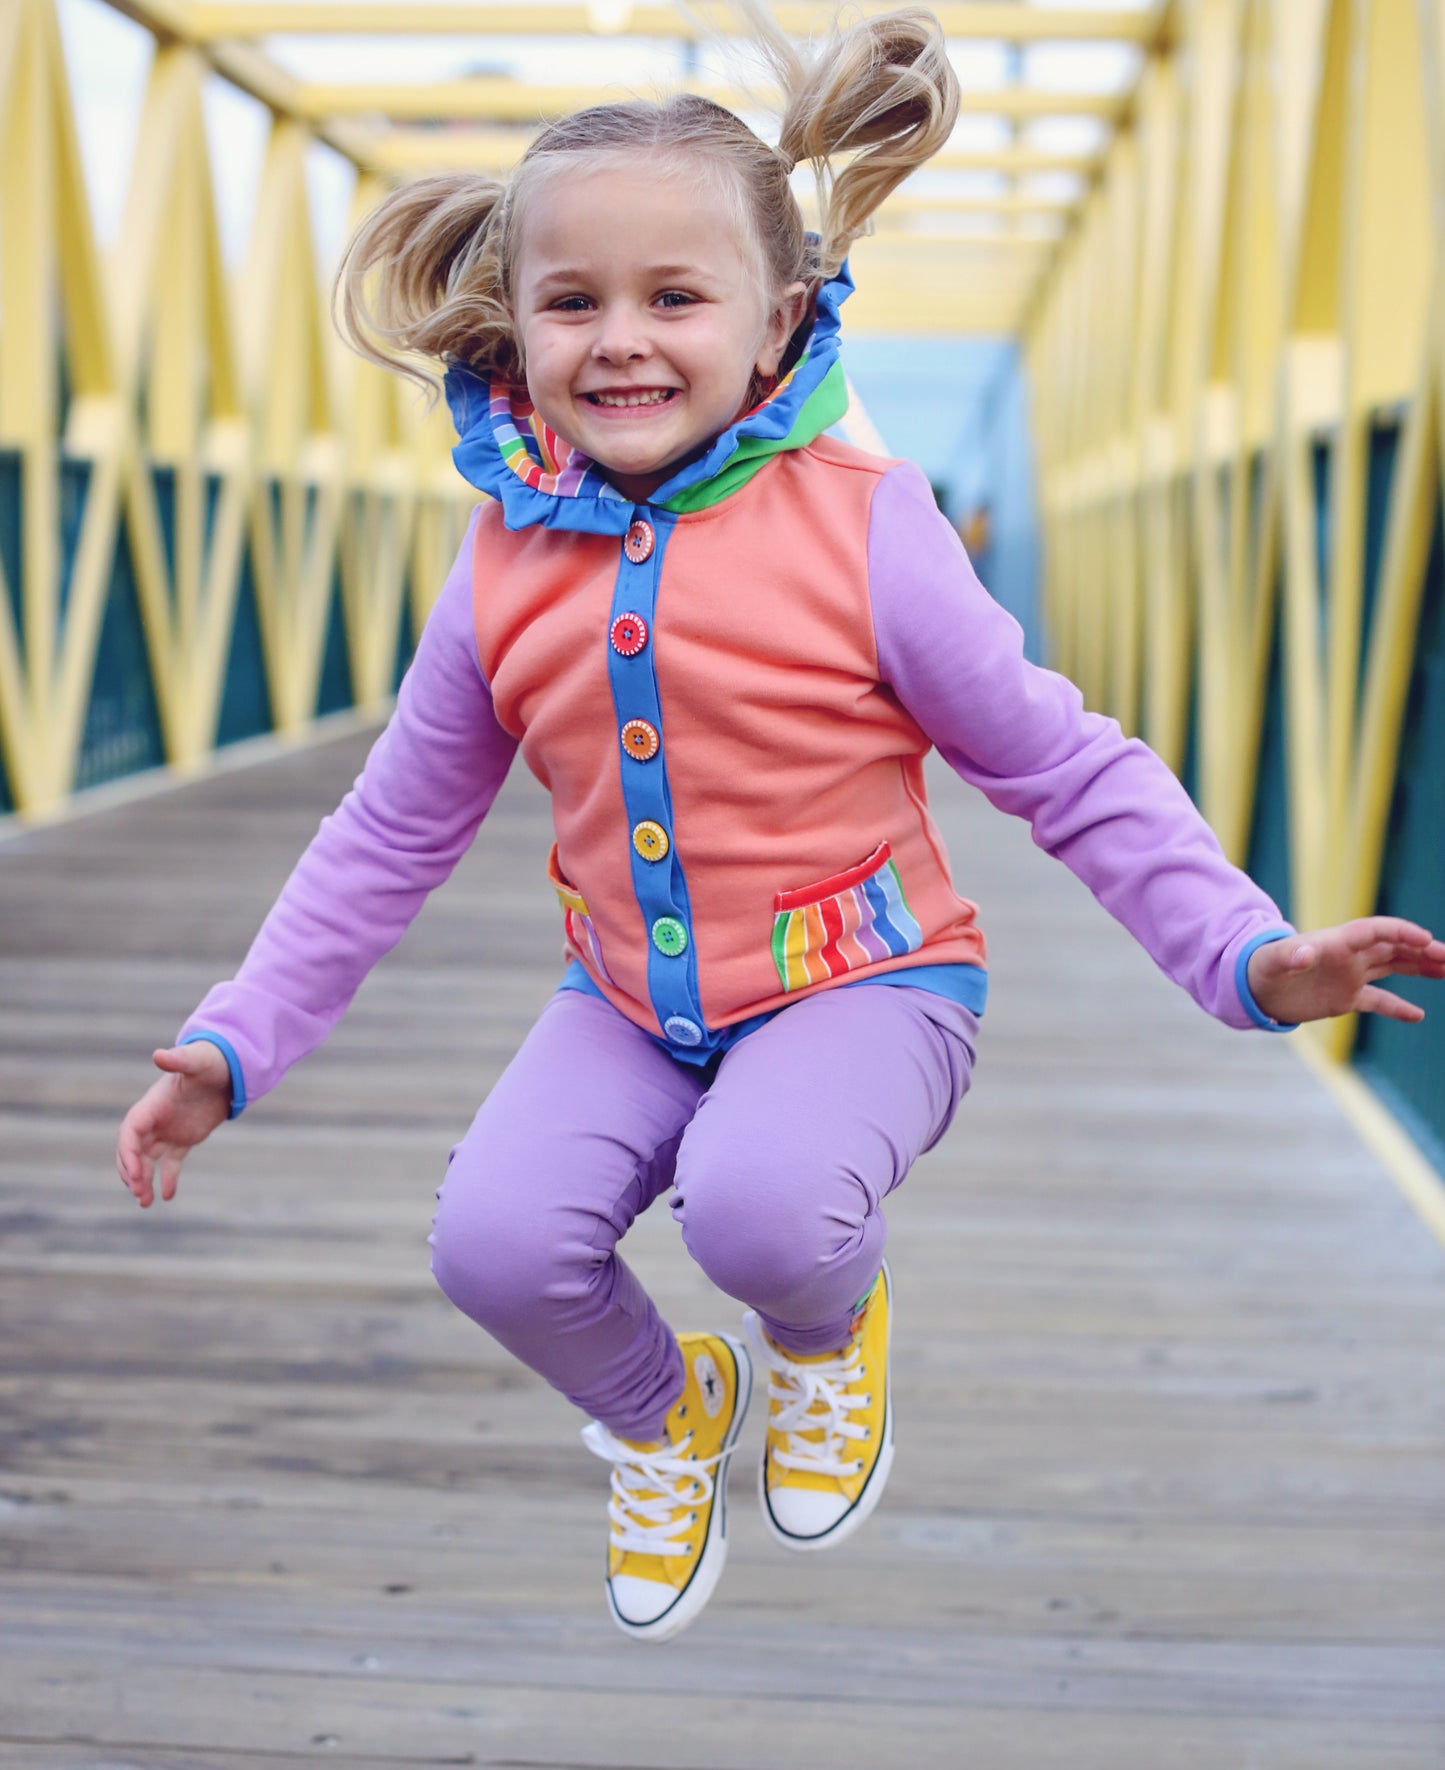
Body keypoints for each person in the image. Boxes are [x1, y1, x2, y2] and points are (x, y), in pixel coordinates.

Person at [115, 6, 1443, 1643]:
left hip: (870, 986)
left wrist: (1246, 952)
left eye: (675, 297)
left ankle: (829, 1337)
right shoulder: (499, 563)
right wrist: (233, 1043)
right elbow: (389, 830)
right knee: (491, 1247)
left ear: (778, 323)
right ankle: (670, 1415)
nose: (620, 339)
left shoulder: (872, 533)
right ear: (511, 329)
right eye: (571, 301)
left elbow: (1066, 767)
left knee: (761, 1206)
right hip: (625, 1001)